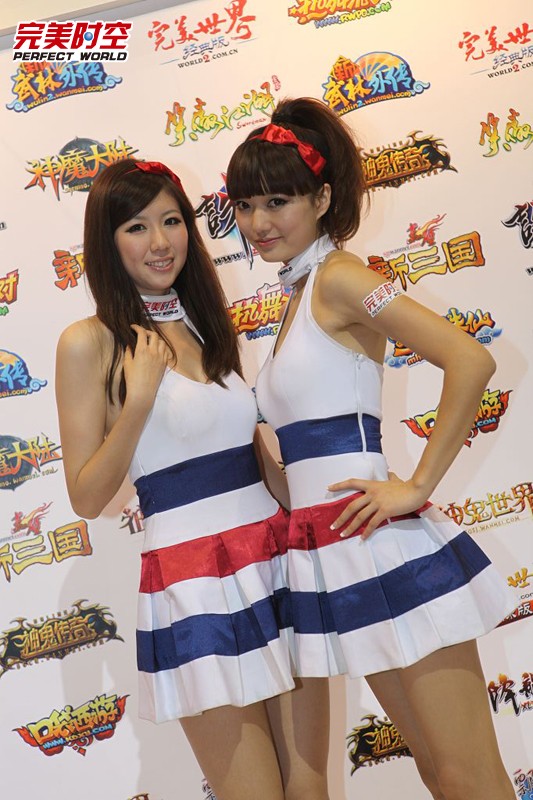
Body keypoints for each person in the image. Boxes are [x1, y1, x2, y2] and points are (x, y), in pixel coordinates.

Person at [226, 98, 516, 800]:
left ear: (323, 199)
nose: (258, 223)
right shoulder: (299, 293)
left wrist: (415, 486)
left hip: (385, 548)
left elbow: (470, 359)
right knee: (437, 773)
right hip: (339, 555)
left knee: (467, 776)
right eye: (245, 205)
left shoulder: (341, 277)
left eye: (277, 202)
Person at [55, 159, 328, 800]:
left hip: (275, 560)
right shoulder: (88, 342)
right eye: (137, 226)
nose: (160, 242)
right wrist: (139, 399)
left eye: (172, 221)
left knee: (310, 790)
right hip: (192, 582)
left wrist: (327, 519)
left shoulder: (205, 319)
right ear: (106, 241)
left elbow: (253, 456)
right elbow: (87, 496)